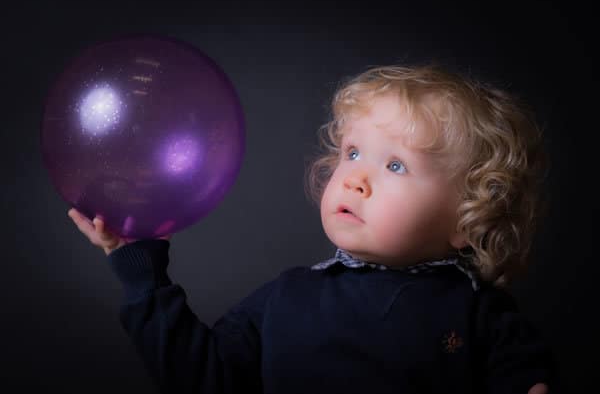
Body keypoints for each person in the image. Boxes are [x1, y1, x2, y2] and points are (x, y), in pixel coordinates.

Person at [68, 64, 559, 393]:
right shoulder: (286, 297)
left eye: (395, 166)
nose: (356, 178)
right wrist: (143, 274)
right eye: (352, 153)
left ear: (465, 218)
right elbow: (202, 377)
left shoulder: (479, 314)